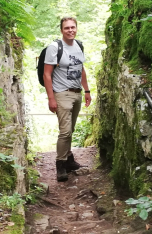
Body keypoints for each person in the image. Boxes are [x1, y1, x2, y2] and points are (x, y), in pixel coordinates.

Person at [43, 16, 91, 182]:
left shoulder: (79, 45)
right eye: (67, 28)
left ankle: (69, 159)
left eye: (73, 27)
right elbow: (47, 74)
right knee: (65, 131)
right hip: (61, 93)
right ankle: (60, 165)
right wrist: (51, 98)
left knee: (71, 128)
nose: (70, 30)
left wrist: (87, 90)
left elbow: (81, 69)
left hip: (77, 92)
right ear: (61, 30)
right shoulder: (54, 47)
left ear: (76, 28)